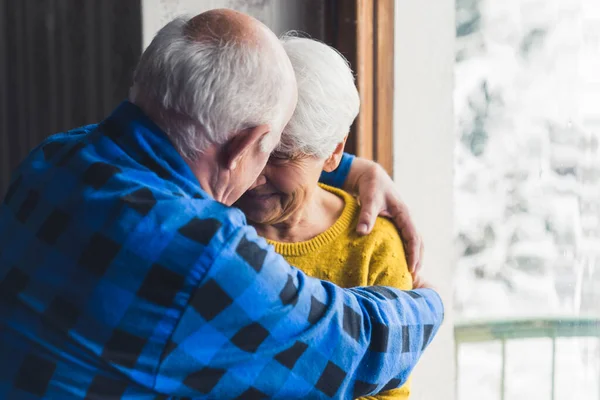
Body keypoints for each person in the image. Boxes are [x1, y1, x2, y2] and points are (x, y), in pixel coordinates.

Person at [0, 9, 443, 399]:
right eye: (271, 150)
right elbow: (355, 347)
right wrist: (431, 303)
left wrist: (344, 165)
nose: (266, 169)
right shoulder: (199, 253)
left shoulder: (56, 158)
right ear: (243, 148)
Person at [236, 36, 414, 400]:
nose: (253, 177)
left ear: (334, 152)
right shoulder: (204, 224)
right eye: (247, 149)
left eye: (281, 157)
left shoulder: (373, 247)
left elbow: (389, 390)